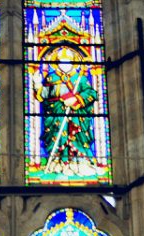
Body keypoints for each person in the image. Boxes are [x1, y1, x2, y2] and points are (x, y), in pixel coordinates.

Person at [31, 48, 99, 177]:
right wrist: (38, 85)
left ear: (73, 63)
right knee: (57, 137)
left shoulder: (80, 78)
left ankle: (79, 163)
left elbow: (91, 93)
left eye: (67, 61)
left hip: (76, 115)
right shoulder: (52, 77)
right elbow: (45, 95)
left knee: (77, 137)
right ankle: (58, 163)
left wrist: (77, 99)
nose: (64, 64)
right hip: (56, 114)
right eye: (61, 62)